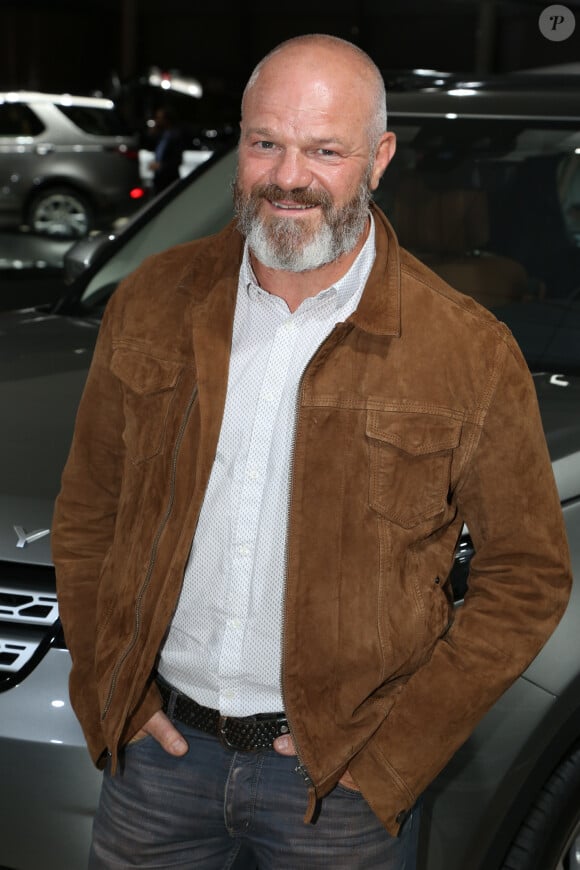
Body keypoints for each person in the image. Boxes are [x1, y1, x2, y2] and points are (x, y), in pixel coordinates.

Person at [51, 34, 572, 870]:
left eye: (325, 150)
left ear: (378, 159)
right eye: (266, 143)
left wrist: (393, 756)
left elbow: (528, 577)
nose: (289, 177)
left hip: (338, 794)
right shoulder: (151, 303)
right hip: (158, 760)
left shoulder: (466, 352)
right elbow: (87, 515)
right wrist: (108, 688)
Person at [148, 105, 184, 194]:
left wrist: (161, 166)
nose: (157, 120)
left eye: (159, 118)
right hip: (159, 178)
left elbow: (177, 160)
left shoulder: (175, 136)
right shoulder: (161, 135)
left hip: (169, 178)